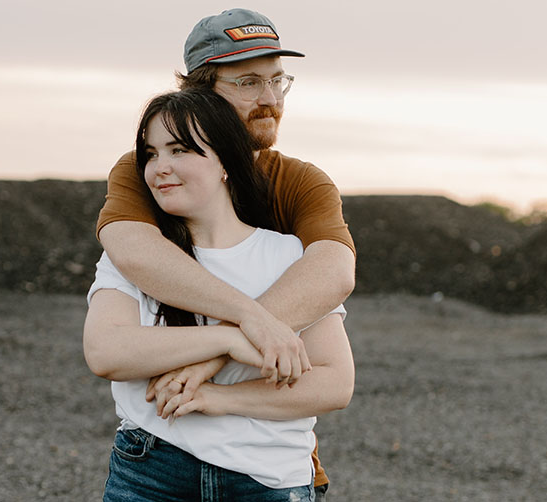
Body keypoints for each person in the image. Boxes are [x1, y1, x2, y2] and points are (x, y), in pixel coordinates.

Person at [95, 8, 356, 499]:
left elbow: (333, 272)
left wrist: (211, 359)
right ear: (200, 94)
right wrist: (242, 330)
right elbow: (133, 252)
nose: (271, 100)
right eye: (249, 83)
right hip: (157, 460)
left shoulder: (301, 182)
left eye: (279, 81)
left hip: (267, 462)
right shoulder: (146, 171)